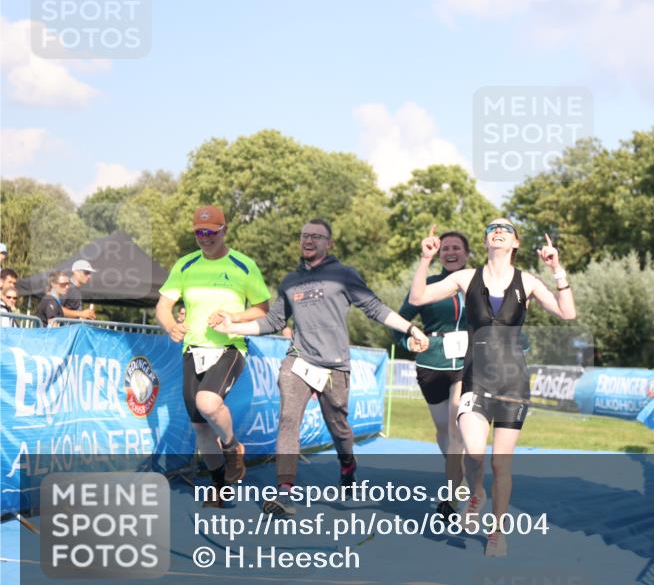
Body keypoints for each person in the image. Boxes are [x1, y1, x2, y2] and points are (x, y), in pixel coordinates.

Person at [212, 218, 429, 516]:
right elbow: (274, 322)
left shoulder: (343, 275)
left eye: (316, 236)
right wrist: (234, 327)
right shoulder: (290, 281)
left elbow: (375, 308)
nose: (309, 241)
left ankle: (347, 463)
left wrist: (411, 329)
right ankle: (285, 491)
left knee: (339, 428)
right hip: (298, 360)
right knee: (288, 418)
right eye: (304, 236)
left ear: (330, 244)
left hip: (334, 366)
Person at [408, 219, 575, 557]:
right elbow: (418, 297)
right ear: (485, 243)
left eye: (505, 230)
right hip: (476, 376)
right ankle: (477, 493)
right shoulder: (465, 277)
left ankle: (497, 532)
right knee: (473, 451)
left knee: (501, 464)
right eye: (490, 230)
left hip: (513, 380)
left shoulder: (527, 281)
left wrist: (557, 269)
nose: (497, 231)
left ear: (515, 243)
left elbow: (567, 313)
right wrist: (426, 259)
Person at [155, 206, 271, 505]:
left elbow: (262, 309)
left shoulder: (243, 265)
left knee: (208, 402)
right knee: (201, 428)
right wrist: (171, 325)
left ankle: (233, 448)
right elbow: (163, 305)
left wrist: (233, 315)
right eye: (199, 233)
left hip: (230, 349)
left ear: (224, 231)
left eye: (211, 232)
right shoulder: (185, 264)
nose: (204, 238)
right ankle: (220, 487)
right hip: (193, 350)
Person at [393, 230, 470, 519]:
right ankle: (457, 473)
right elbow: (398, 321)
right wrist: (408, 341)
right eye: (446, 248)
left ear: (467, 254)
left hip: (468, 361)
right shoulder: (427, 285)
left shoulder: (479, 283)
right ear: (439, 254)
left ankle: (454, 493)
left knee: (456, 426)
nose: (451, 252)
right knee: (443, 429)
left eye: (457, 248)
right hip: (432, 362)